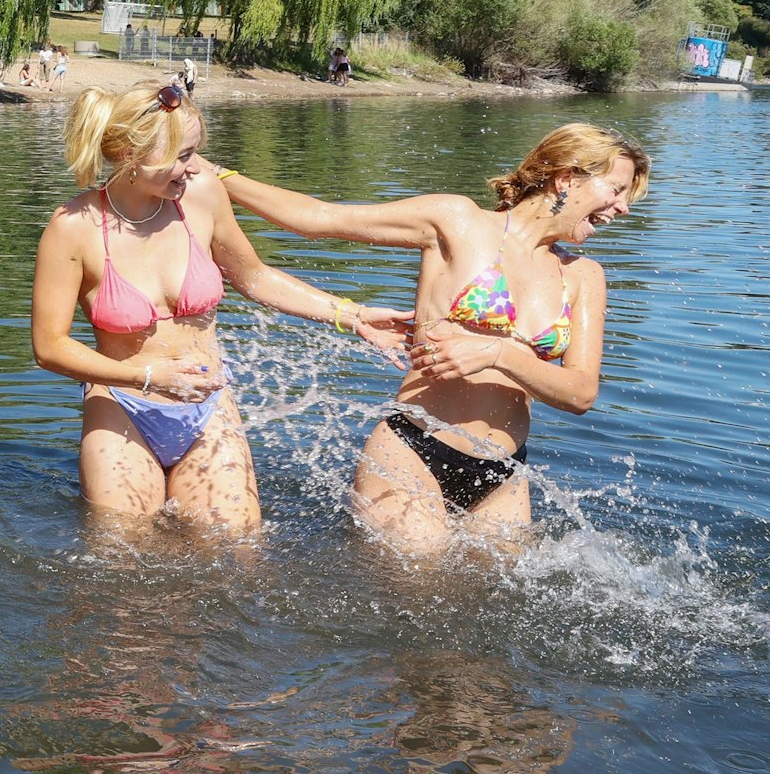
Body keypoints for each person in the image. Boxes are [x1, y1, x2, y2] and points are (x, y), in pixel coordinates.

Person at [209, 124, 648, 553]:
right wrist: (219, 176)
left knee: (487, 613)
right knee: (414, 603)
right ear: (567, 178)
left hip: (504, 472)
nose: (622, 208)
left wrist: (498, 353)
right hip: (412, 450)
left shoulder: (583, 276)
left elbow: (580, 393)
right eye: (616, 190)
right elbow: (317, 219)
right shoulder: (458, 222)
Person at [29, 82, 410, 531]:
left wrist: (354, 315)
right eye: (183, 155)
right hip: (121, 405)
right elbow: (49, 347)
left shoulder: (203, 195)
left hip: (208, 406)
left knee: (236, 548)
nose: (194, 168)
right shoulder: (73, 227)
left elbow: (254, 276)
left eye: (196, 152)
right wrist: (147, 375)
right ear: (133, 154)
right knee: (123, 558)